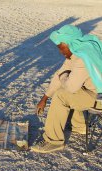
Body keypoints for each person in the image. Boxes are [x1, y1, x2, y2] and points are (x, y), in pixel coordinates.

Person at [31, 24, 102, 153]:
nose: (61, 51)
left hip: (99, 98)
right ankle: (80, 126)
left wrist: (64, 76)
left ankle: (53, 141)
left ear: (69, 43)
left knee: (62, 95)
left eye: (61, 47)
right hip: (94, 92)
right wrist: (45, 97)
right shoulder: (79, 49)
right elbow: (60, 73)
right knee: (73, 87)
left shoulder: (82, 57)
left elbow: (69, 87)